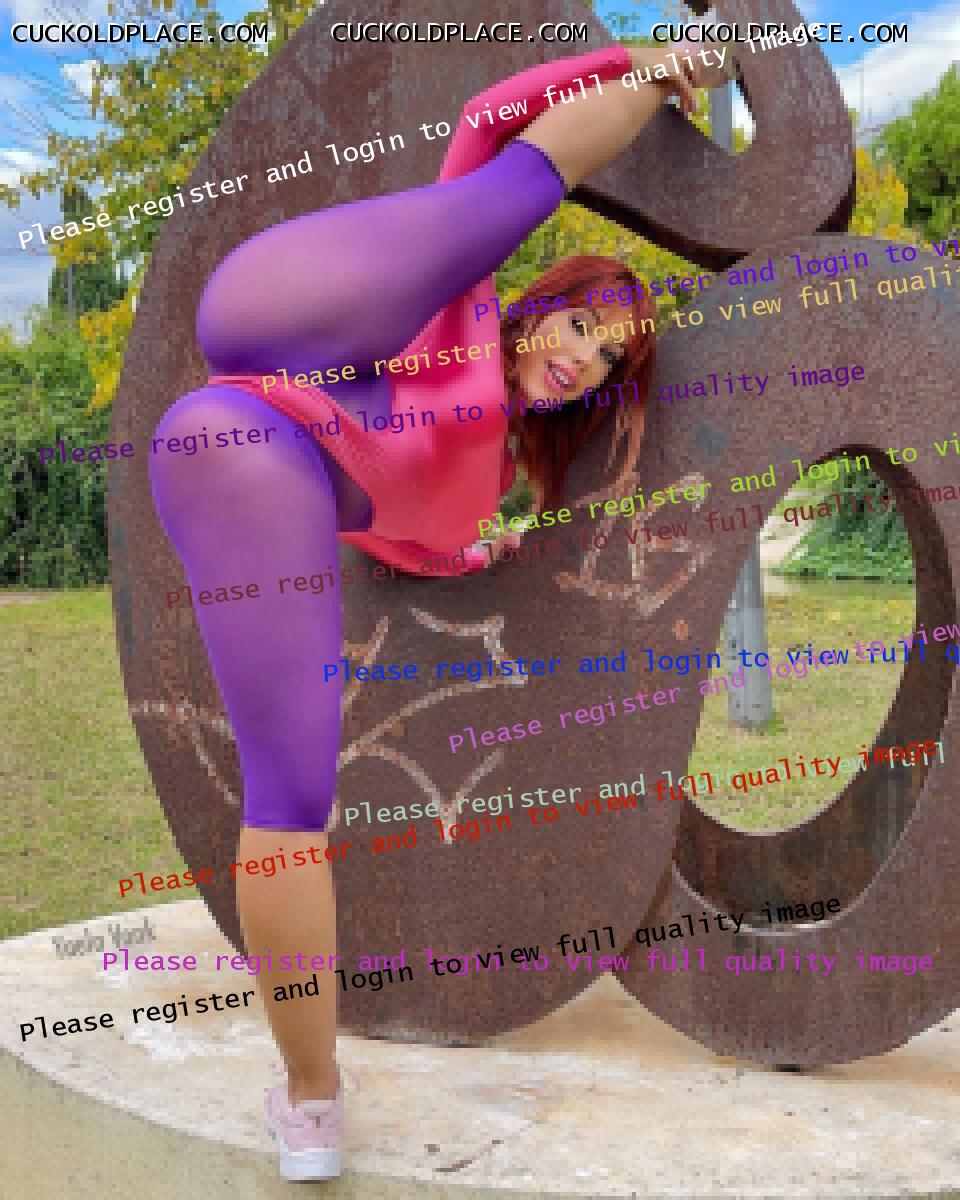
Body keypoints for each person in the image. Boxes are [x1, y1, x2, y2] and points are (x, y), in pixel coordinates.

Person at [149, 39, 730, 1183]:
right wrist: (638, 58)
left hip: (240, 452)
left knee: (292, 798)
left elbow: (381, 530)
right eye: (579, 324)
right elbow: (488, 113)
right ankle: (663, 69)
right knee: (500, 198)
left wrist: (464, 553)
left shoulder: (493, 476)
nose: (584, 358)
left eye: (608, 357)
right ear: (537, 314)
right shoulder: (461, 306)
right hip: (287, 309)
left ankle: (310, 1101)